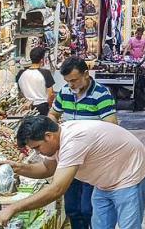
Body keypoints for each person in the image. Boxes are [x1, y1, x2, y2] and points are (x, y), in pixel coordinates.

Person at [0, 117, 145, 229]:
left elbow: (57, 189)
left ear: (48, 136)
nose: (38, 153)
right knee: (100, 225)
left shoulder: (73, 141)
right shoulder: (57, 140)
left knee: (129, 225)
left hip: (129, 174)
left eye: (37, 147)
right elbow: (48, 168)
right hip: (105, 181)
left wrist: (13, 208)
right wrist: (18, 168)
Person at [50, 57, 119, 229]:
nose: (71, 85)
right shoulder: (65, 92)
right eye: (67, 81)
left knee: (88, 208)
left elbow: (112, 126)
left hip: (92, 160)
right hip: (70, 158)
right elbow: (53, 114)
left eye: (74, 80)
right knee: (72, 208)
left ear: (86, 74)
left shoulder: (101, 94)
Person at [16, 47, 55, 116]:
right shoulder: (46, 73)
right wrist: (49, 107)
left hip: (25, 107)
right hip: (42, 107)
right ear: (42, 60)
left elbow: (19, 92)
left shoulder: (21, 73)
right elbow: (51, 94)